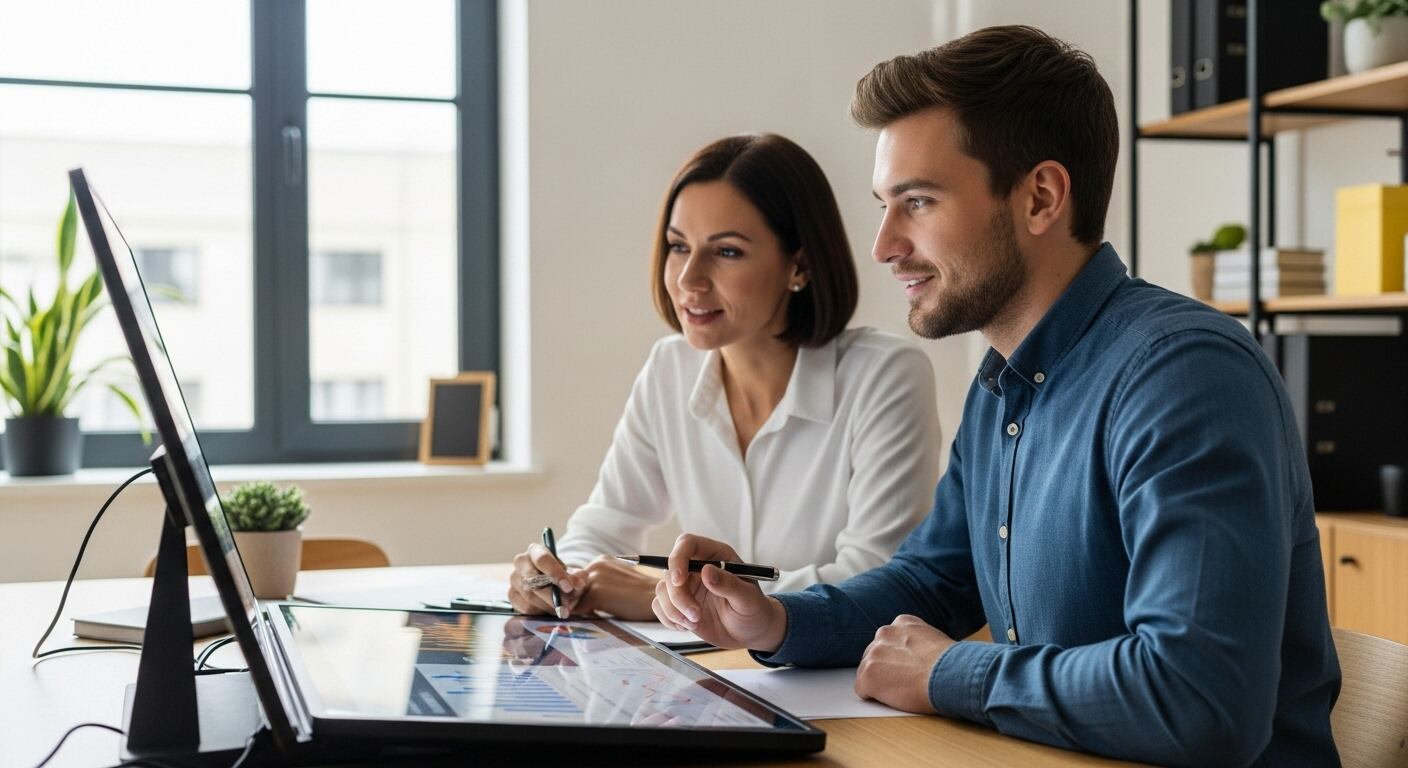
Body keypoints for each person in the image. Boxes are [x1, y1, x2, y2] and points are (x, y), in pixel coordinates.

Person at [653, 26, 1340, 766]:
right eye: (885, 205)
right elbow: (932, 580)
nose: (884, 244)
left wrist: (950, 672)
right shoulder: (1003, 384)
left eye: (916, 203)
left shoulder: (1184, 375)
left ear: (1040, 197)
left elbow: (1199, 697)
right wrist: (776, 621)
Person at [507, 133, 943, 621]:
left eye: (727, 252)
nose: (689, 279)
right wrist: (560, 576)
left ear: (797, 264)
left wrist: (662, 597)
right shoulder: (670, 369)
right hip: (716, 676)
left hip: (835, 681)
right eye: (678, 247)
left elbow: (875, 578)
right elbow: (605, 525)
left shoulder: (885, 376)